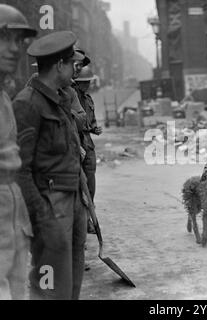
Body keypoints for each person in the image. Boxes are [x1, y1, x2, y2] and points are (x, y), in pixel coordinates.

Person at [12, 30, 87, 300]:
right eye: (71, 63)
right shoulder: (28, 104)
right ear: (59, 65)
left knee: (72, 275)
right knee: (50, 285)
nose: (75, 69)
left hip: (73, 198)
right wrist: (41, 217)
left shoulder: (61, 99)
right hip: (51, 205)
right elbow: (19, 170)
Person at [0, 4, 37, 300]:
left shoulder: (4, 95)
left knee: (16, 289)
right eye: (3, 38)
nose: (14, 49)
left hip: (12, 205)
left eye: (18, 41)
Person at [74, 65, 102, 202]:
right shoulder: (71, 97)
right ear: (77, 82)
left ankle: (90, 208)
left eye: (88, 82)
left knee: (90, 177)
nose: (87, 85)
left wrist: (95, 129)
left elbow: (92, 122)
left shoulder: (88, 99)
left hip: (87, 141)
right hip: (76, 140)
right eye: (84, 82)